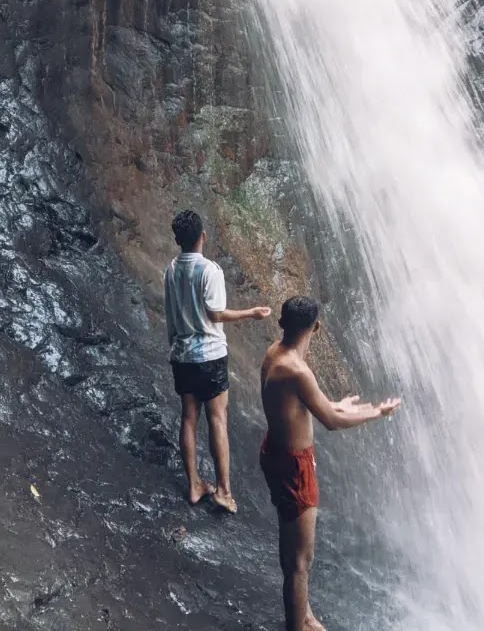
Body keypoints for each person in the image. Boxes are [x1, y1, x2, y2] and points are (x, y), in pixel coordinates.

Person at [260, 296, 400, 631]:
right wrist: (376, 413)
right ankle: (297, 626)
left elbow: (306, 406)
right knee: (300, 561)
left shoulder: (274, 354)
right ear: (316, 327)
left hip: (275, 452)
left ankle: (304, 615)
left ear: (282, 324)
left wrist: (339, 404)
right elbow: (332, 421)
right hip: (295, 467)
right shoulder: (297, 370)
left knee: (291, 547)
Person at [165, 209, 272, 514]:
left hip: (182, 354)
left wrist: (174, 347)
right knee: (217, 420)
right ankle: (223, 491)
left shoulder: (171, 270)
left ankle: (194, 484)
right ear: (203, 237)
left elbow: (171, 315)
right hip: (210, 355)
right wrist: (251, 313)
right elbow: (215, 314)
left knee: (188, 417)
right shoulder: (210, 271)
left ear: (178, 240)